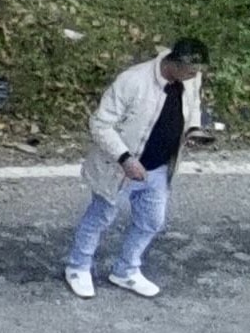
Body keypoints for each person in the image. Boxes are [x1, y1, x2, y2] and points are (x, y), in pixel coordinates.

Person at [62, 38, 214, 300]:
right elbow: (100, 124)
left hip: (159, 168)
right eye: (191, 71)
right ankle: (78, 266)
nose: (195, 77)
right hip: (121, 169)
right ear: (175, 64)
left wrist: (193, 129)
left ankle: (126, 269)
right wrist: (125, 159)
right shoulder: (132, 81)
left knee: (151, 222)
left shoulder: (190, 78)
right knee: (100, 217)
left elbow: (193, 106)